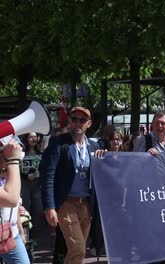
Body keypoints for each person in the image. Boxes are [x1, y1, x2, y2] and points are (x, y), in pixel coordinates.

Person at [40, 106, 102, 264]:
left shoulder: (94, 147)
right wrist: (49, 207)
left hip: (86, 205)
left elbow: (104, 175)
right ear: (69, 121)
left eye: (82, 120)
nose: (78, 123)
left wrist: (104, 160)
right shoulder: (58, 143)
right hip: (66, 203)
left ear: (88, 123)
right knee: (78, 249)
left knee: (73, 253)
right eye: (74, 119)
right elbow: (48, 176)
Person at [0, 137, 29, 263]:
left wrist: (21, 233)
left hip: (10, 234)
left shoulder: (9, 179)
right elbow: (12, 199)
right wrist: (13, 160)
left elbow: (14, 206)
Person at [20, 132, 44, 237]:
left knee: (38, 208)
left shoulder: (41, 153)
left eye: (35, 137)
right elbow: (17, 169)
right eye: (31, 137)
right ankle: (25, 233)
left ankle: (35, 233)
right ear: (26, 139)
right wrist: (26, 176)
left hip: (37, 184)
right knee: (25, 207)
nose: (33, 139)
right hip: (24, 183)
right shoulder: (21, 153)